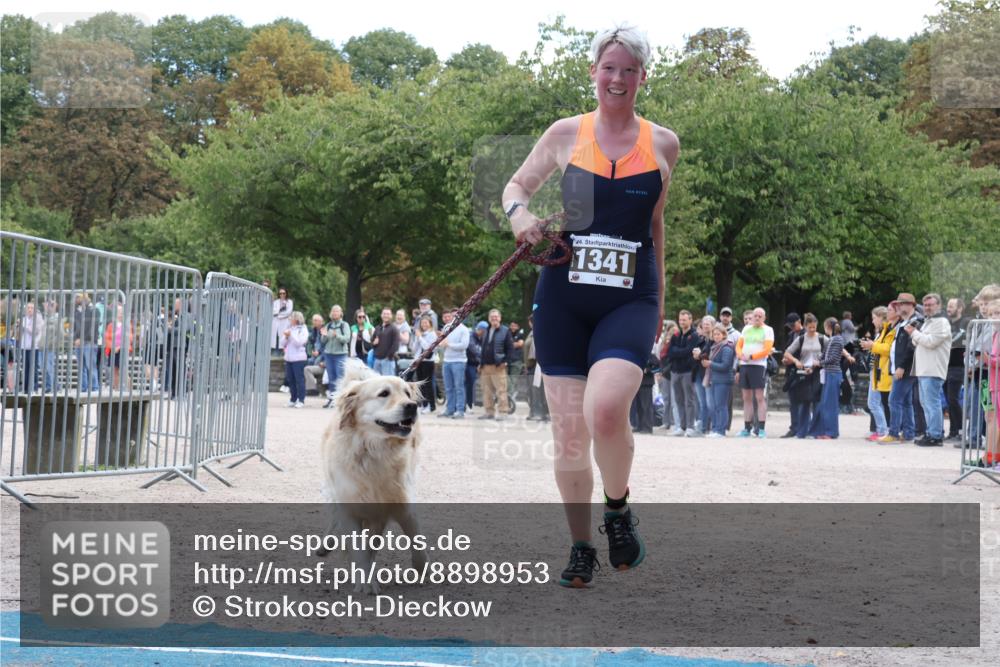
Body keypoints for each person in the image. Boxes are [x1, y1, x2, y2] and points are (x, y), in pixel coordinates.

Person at [503, 25, 679, 586]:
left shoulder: (664, 143)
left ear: (643, 77)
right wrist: (520, 218)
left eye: (630, 69)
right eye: (610, 68)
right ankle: (582, 546)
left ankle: (618, 508)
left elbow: (655, 227)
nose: (618, 78)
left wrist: (659, 306)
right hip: (563, 301)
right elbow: (515, 188)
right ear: (593, 72)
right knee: (570, 434)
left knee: (606, 411)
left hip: (629, 300)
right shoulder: (564, 133)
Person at [909, 293, 952, 447]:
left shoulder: (941, 322)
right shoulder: (928, 322)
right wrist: (916, 335)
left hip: (933, 369)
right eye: (925, 305)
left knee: (931, 403)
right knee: (925, 403)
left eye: (931, 304)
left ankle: (935, 435)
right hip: (924, 369)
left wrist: (914, 333)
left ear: (939, 305)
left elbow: (931, 342)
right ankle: (931, 432)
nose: (927, 307)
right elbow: (916, 342)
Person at [881, 293, 921, 443]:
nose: (898, 307)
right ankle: (909, 433)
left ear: (911, 305)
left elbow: (911, 348)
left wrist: (901, 366)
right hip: (902, 367)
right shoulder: (905, 322)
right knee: (905, 402)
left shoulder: (915, 321)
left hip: (905, 368)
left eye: (901, 304)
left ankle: (894, 432)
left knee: (894, 400)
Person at [782, 314, 827, 439]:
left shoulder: (823, 338)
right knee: (804, 402)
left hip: (817, 371)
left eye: (814, 327)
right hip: (803, 371)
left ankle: (816, 430)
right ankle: (802, 430)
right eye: (810, 327)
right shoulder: (801, 339)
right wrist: (796, 361)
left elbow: (834, 350)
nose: (812, 330)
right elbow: (787, 352)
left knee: (817, 402)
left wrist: (821, 362)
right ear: (806, 326)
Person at [735, 307, 775, 437]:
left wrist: (752, 357)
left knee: (759, 397)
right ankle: (747, 427)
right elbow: (739, 345)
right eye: (755, 316)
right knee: (746, 397)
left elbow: (767, 349)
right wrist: (740, 355)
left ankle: (761, 428)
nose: (757, 318)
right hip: (744, 365)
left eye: (759, 316)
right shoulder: (746, 329)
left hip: (758, 366)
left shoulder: (768, 330)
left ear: (764, 318)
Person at [813, 317, 854, 439]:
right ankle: (827, 430)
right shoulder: (833, 339)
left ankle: (831, 432)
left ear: (827, 326)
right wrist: (819, 359)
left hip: (833, 374)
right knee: (826, 403)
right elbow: (825, 355)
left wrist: (819, 363)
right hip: (828, 374)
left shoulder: (837, 340)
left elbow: (833, 359)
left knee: (830, 404)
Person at [859, 305, 895, 441]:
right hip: (876, 371)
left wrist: (872, 345)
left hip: (881, 371)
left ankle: (882, 430)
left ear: (881, 318)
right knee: (875, 403)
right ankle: (882, 430)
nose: (873, 321)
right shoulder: (882, 331)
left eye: (874, 318)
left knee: (874, 403)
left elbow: (887, 349)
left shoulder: (888, 331)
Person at [667, 310, 700, 436]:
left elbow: (690, 351)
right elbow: (671, 352)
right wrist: (682, 351)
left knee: (689, 400)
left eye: (684, 320)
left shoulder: (695, 336)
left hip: (688, 371)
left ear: (690, 320)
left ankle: (690, 427)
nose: (682, 322)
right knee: (679, 400)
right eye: (680, 320)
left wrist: (679, 352)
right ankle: (682, 426)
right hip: (675, 371)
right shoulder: (676, 335)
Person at [477, 308, 514, 421]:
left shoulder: (505, 331)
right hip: (485, 367)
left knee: (501, 390)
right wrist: (480, 363)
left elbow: (510, 348)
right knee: (486, 391)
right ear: (489, 319)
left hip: (498, 366)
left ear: (500, 318)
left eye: (496, 317)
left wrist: (506, 361)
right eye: (492, 317)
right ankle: (489, 412)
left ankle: (503, 412)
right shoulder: (486, 331)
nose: (494, 319)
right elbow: (483, 349)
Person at [703, 323, 736, 438]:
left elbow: (725, 365)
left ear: (724, 335)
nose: (716, 336)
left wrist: (710, 364)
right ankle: (716, 428)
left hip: (724, 380)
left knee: (721, 406)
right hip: (715, 379)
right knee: (716, 406)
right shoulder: (715, 347)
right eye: (714, 334)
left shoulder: (726, 347)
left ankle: (721, 430)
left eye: (718, 334)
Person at [944, 297, 970, 442]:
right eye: (948, 306)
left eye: (952, 306)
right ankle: (953, 431)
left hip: (958, 366)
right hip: (944, 366)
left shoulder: (966, 323)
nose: (949, 308)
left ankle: (960, 431)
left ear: (960, 308)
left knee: (953, 398)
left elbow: (966, 341)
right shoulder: (945, 323)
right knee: (948, 400)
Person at [438, 310, 470, 418]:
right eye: (453, 316)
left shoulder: (464, 330)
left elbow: (464, 345)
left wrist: (449, 345)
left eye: (457, 315)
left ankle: (460, 410)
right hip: (447, 361)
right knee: (448, 387)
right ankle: (449, 409)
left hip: (459, 362)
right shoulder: (447, 327)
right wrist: (441, 344)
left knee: (459, 387)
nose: (454, 317)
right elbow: (442, 342)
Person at [321, 305, 351, 408]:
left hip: (340, 355)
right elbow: (323, 341)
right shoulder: (328, 325)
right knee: (331, 378)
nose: (334, 313)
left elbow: (347, 339)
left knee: (340, 378)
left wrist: (336, 335)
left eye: (336, 311)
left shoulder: (344, 325)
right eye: (333, 311)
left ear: (341, 313)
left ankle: (340, 400)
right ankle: (332, 399)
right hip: (329, 354)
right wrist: (324, 335)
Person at [781, 313, 805, 438]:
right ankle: (794, 427)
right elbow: (786, 350)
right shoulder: (791, 335)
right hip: (791, 371)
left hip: (801, 370)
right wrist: (785, 360)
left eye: (793, 324)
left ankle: (802, 426)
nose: (791, 327)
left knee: (802, 401)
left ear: (799, 321)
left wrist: (792, 359)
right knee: (793, 401)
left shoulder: (805, 334)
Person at [72, 292, 100, 392]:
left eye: (78, 297)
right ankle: (83, 387)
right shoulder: (78, 311)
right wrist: (75, 339)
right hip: (79, 343)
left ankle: (94, 388)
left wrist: (82, 339)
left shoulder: (94, 310)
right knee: (81, 367)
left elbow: (92, 328)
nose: (76, 299)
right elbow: (75, 327)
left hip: (89, 342)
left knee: (90, 366)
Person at [524, 314, 550, 421]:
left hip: (539, 366)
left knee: (542, 391)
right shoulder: (531, 334)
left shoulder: (543, 332)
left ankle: (545, 413)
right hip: (530, 366)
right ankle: (534, 412)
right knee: (532, 391)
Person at [692, 315, 715, 435]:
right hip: (699, 373)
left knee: (710, 403)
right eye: (704, 323)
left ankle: (712, 427)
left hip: (709, 374)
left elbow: (708, 355)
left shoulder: (714, 340)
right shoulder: (700, 340)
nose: (705, 325)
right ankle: (702, 427)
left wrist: (699, 355)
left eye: (708, 323)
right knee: (702, 403)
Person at [410, 315, 438, 413]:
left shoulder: (432, 334)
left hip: (428, 362)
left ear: (430, 324)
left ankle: (431, 405)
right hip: (419, 361)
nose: (424, 325)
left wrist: (420, 337)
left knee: (428, 384)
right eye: (422, 323)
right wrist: (417, 339)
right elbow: (414, 349)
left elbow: (428, 348)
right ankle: (423, 404)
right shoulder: (420, 334)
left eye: (426, 323)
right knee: (420, 384)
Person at [17, 302, 45, 393]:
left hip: (34, 347)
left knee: (33, 368)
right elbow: (18, 334)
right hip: (24, 347)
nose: (29, 310)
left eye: (32, 308)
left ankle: (34, 387)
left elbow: (34, 331)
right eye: (28, 308)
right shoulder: (23, 319)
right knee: (25, 368)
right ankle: (25, 388)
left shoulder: (38, 319)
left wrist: (23, 326)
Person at [103, 304, 133, 390]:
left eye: (121, 312)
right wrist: (113, 347)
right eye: (118, 312)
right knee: (114, 370)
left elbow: (129, 337)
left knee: (124, 370)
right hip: (113, 350)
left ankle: (128, 389)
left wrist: (119, 347)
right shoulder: (111, 325)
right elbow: (107, 338)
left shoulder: (127, 324)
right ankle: (116, 389)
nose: (120, 314)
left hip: (123, 350)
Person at [283, 311, 309, 408]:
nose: (290, 320)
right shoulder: (289, 328)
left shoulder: (303, 329)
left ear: (297, 319)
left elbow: (299, 342)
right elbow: (282, 343)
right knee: (291, 380)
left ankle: (301, 400)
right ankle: (293, 399)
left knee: (299, 380)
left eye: (292, 318)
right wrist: (286, 337)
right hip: (289, 358)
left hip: (299, 358)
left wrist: (291, 335)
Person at [371, 308, 399, 377]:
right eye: (384, 314)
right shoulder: (378, 328)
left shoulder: (394, 328)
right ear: (381, 315)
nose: (386, 315)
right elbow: (371, 341)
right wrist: (373, 343)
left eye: (388, 314)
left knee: (388, 384)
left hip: (388, 361)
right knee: (377, 383)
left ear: (391, 316)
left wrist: (388, 357)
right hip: (377, 360)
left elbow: (395, 345)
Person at [466, 321, 487, 413]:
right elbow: (473, 349)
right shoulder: (471, 336)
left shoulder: (483, 337)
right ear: (481, 330)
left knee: (475, 384)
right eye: (485, 330)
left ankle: (471, 403)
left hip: (477, 363)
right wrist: (481, 359)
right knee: (469, 384)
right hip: (468, 363)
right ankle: (468, 404)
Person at [271, 288, 293, 354]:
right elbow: (273, 311)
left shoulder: (289, 302)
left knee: (283, 334)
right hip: (276, 320)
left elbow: (288, 312)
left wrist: (279, 314)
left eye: (283, 293)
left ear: (286, 294)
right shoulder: (276, 302)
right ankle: (274, 350)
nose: (282, 295)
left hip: (285, 321)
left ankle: (283, 350)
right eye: (280, 293)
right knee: (274, 335)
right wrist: (280, 312)